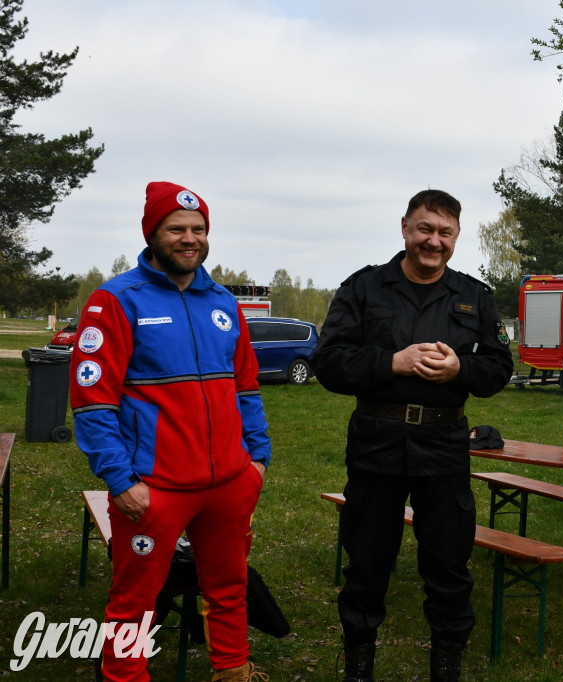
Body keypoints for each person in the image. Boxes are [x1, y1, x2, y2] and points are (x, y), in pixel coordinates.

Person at [70, 182, 271, 682]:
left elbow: (246, 386)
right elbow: (93, 401)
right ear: (152, 234)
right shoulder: (115, 300)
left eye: (198, 229)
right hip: (153, 489)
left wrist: (256, 461)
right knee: (135, 601)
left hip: (228, 483)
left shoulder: (223, 302)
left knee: (229, 589)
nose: (189, 238)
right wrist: (120, 479)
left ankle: (232, 672)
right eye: (176, 229)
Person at [311, 189, 513, 681]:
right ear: (405, 227)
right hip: (377, 444)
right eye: (425, 229)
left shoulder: (474, 296)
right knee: (366, 566)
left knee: (448, 568)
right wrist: (390, 362)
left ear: (457, 236)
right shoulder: (364, 289)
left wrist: (460, 369)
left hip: (444, 448)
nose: (434, 241)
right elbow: (328, 363)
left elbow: (499, 368)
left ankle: (446, 669)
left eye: (445, 233)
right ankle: (358, 668)